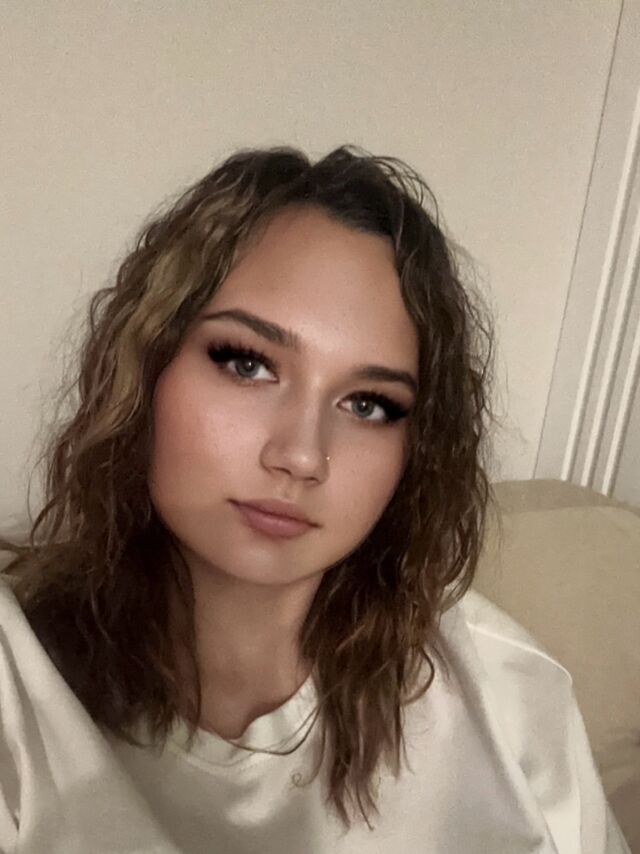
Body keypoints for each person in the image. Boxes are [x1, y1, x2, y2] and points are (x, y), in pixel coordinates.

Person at [0, 144, 630, 853]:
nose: (301, 456)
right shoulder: (18, 689)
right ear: (147, 369)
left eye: (368, 404)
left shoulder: (503, 693)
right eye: (248, 364)